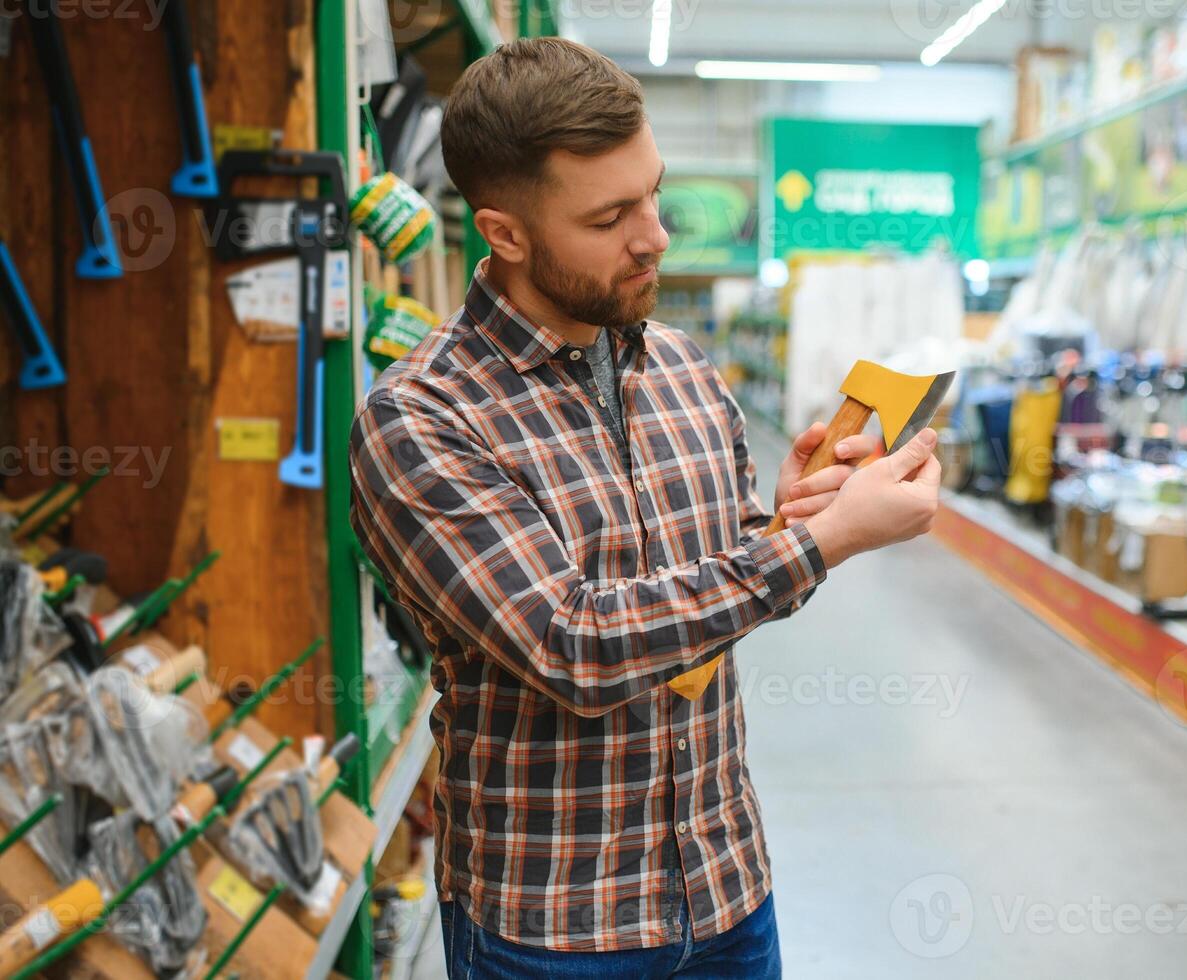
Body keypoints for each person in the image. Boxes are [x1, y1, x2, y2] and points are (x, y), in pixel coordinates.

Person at [348, 36, 940, 979]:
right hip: (551, 928)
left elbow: (699, 594)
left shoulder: (679, 366)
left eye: (654, 193)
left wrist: (791, 517)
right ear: (504, 233)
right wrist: (819, 546)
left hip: (727, 886)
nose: (656, 235)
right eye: (611, 216)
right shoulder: (422, 421)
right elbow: (573, 646)